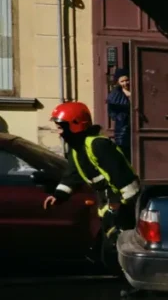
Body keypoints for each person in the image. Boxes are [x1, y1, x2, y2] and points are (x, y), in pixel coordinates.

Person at [43, 101, 141, 243]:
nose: (58, 133)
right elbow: (73, 174)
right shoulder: (76, 148)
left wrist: (120, 206)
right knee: (107, 249)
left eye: (60, 128)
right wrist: (59, 195)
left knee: (119, 250)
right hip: (107, 206)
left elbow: (122, 176)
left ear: (74, 125)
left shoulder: (98, 145)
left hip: (123, 208)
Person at [106, 68, 132, 160]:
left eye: (127, 80)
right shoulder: (116, 94)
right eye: (122, 81)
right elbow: (112, 110)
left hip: (134, 125)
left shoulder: (134, 90)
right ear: (118, 82)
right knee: (124, 151)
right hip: (123, 127)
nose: (125, 83)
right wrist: (119, 117)